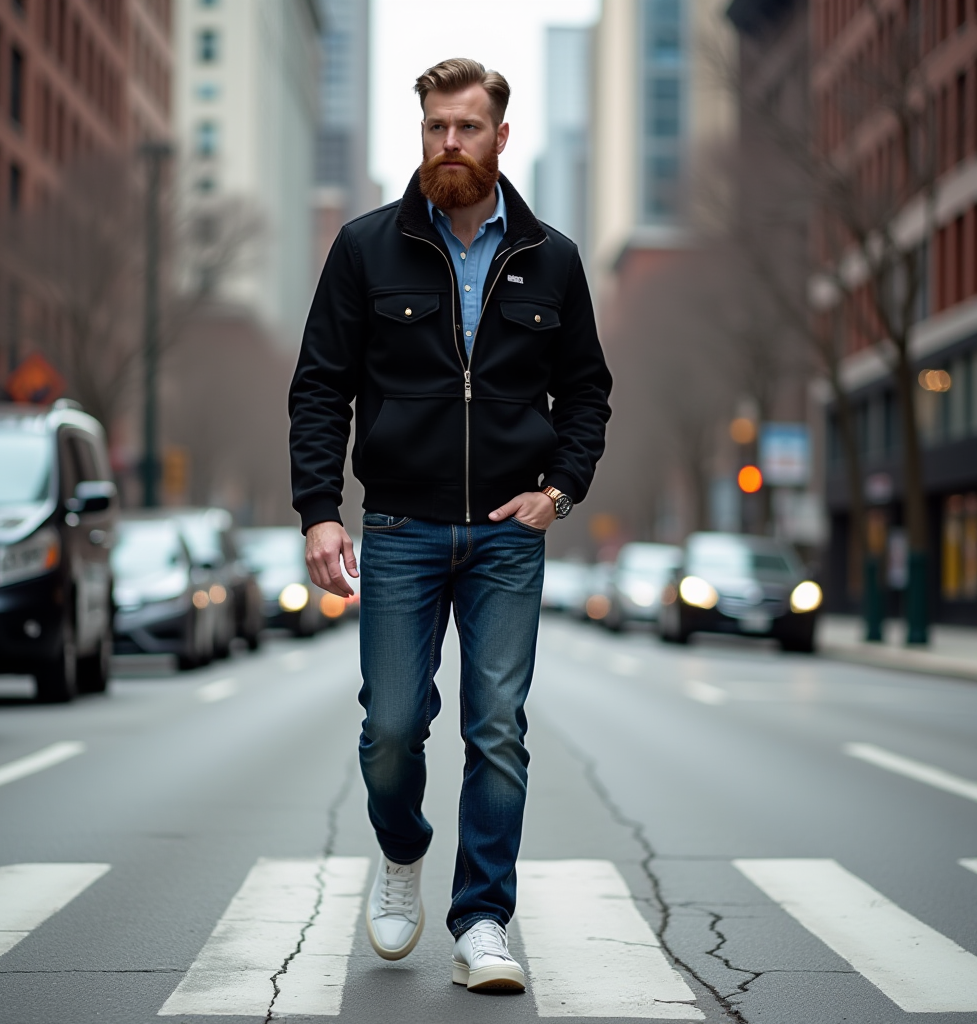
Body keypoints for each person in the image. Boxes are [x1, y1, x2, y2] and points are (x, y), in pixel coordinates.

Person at [288, 57, 611, 993]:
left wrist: (561, 490)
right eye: (436, 127)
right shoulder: (366, 249)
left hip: (510, 534)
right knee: (391, 728)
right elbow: (320, 386)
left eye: (468, 128)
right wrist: (318, 511)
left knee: (497, 728)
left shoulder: (552, 257)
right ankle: (402, 854)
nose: (450, 144)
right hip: (398, 525)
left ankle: (482, 922)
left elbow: (587, 391)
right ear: (420, 131)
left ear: (501, 138)